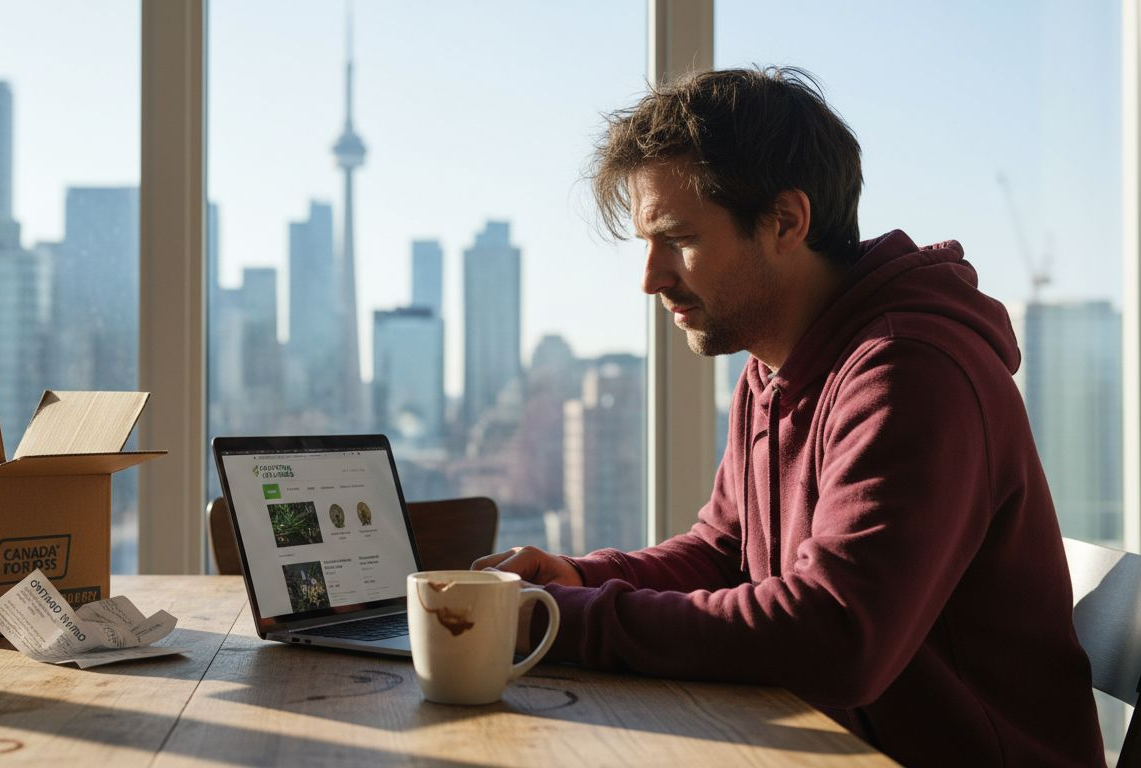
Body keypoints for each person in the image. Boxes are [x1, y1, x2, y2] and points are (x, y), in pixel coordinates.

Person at [473, 68, 1104, 766]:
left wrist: (560, 621)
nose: (650, 277)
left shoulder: (909, 371)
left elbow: (838, 636)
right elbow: (722, 554)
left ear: (785, 222)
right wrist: (576, 579)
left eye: (676, 238)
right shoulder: (773, 368)